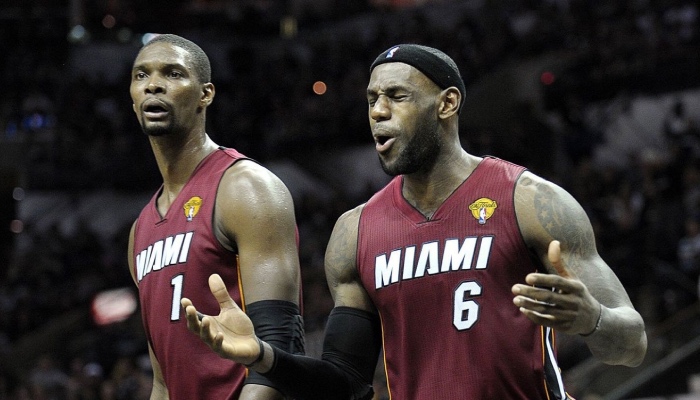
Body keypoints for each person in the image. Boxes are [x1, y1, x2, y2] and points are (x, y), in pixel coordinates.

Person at [181, 44, 647, 399]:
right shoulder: (355, 232)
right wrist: (265, 357)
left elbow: (632, 343)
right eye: (371, 100)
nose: (378, 112)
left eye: (396, 96)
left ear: (446, 104)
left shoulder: (529, 200)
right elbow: (346, 385)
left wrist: (593, 319)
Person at [126, 34, 303, 399]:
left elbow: (280, 343)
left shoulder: (246, 188)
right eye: (141, 75)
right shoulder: (140, 230)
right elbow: (163, 381)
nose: (154, 84)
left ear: (205, 95)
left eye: (173, 73)